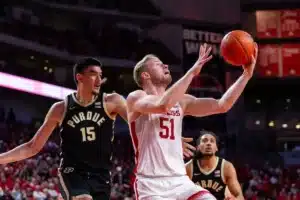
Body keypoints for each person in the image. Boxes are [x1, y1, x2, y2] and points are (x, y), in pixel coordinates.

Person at [126, 42, 258, 200]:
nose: (165, 65)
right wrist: (191, 73)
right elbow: (162, 105)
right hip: (151, 184)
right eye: (158, 64)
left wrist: (246, 76)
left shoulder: (181, 101)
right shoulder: (136, 97)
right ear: (145, 75)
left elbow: (222, 105)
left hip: (180, 181)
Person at [0, 58, 127, 200]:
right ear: (80, 77)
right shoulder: (60, 108)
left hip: (101, 175)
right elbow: (32, 147)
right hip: (72, 172)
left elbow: (139, 124)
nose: (98, 79)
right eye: (93, 74)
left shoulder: (112, 101)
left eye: (100, 75)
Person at [186, 131, 244, 200]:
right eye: (204, 141)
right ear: (198, 147)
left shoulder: (226, 167)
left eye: (212, 141)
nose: (208, 143)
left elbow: (239, 196)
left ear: (216, 148)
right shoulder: (188, 168)